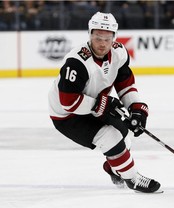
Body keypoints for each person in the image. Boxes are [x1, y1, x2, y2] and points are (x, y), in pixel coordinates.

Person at [48, 12, 161, 193]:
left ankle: (113, 168)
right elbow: (68, 102)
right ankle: (132, 179)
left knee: (124, 135)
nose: (102, 43)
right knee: (110, 137)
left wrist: (136, 108)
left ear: (114, 37)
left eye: (107, 38)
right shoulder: (76, 62)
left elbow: (125, 83)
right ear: (90, 34)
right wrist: (102, 105)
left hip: (92, 105)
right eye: (97, 37)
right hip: (67, 115)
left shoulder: (119, 53)